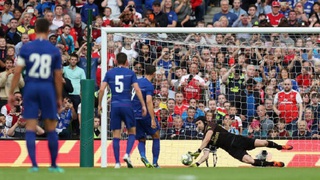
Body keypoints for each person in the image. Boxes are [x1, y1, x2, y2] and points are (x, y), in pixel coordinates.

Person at [8, 18, 64, 172]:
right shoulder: (53, 50)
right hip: (46, 87)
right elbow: (58, 76)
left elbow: (17, 72)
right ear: (47, 30)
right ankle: (53, 165)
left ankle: (33, 165)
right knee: (51, 127)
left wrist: (12, 93)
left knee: (31, 127)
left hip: (31, 87)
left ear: (35, 29)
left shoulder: (27, 48)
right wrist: (58, 97)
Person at [98, 52, 147, 168]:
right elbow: (137, 89)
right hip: (127, 105)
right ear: (126, 62)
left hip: (115, 106)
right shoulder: (130, 73)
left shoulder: (109, 73)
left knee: (116, 135)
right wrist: (143, 105)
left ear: (115, 61)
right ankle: (127, 154)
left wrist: (100, 104)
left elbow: (101, 89)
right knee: (132, 132)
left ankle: (117, 163)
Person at [188, 117, 293, 167]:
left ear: (204, 122)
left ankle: (280, 147)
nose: (198, 126)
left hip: (238, 140)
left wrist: (197, 150)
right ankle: (272, 164)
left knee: (263, 143)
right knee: (250, 161)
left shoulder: (211, 125)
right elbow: (205, 155)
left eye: (199, 123)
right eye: (197, 125)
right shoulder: (204, 141)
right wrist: (196, 164)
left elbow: (208, 138)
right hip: (232, 150)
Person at [132, 65, 160, 168]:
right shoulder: (149, 85)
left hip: (133, 114)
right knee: (156, 135)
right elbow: (148, 101)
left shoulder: (137, 82)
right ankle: (155, 163)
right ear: (154, 73)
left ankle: (143, 156)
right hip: (144, 114)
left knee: (141, 138)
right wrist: (152, 118)